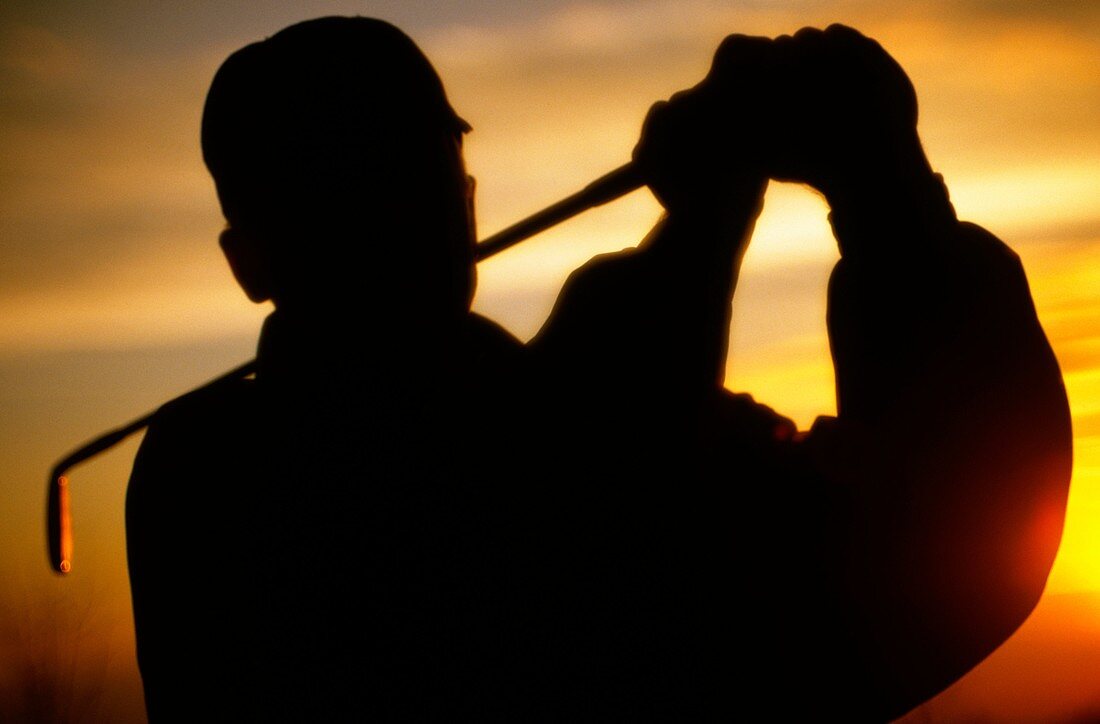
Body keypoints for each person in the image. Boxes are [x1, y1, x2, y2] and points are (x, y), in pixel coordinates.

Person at [125, 17, 1072, 722]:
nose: (398, 214)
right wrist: (788, 204)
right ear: (250, 260)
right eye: (345, 185)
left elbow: (924, 552)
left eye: (414, 167)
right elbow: (570, 534)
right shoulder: (217, 479)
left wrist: (874, 189)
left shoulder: (560, 402)